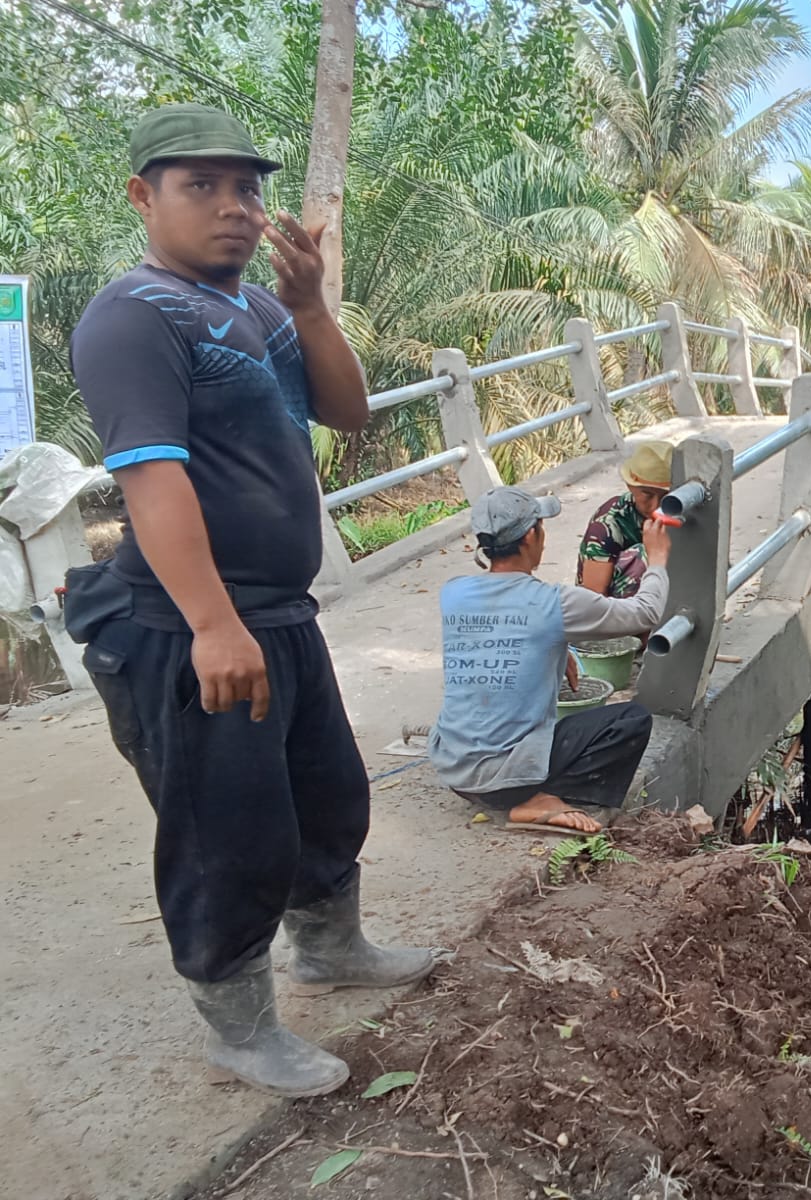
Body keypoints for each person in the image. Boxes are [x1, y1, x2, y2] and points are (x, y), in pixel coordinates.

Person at [64, 103, 432, 1099]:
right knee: (227, 834)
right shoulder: (134, 315)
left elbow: (348, 413)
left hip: (281, 613)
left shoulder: (262, 308)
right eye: (202, 186)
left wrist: (309, 305)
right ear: (144, 197)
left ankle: (331, 948)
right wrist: (213, 623)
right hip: (186, 626)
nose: (233, 206)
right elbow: (154, 480)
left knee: (327, 797)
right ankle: (237, 1026)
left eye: (246, 188)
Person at [429, 486, 671, 830]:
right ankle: (537, 798)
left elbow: (501, 631)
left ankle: (515, 790)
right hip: (507, 780)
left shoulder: (453, 592)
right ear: (531, 535)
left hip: (455, 771)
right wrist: (657, 560)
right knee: (631, 720)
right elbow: (645, 613)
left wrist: (558, 648)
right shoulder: (556, 603)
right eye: (541, 527)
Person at [576, 441, 673, 598]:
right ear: (630, 487)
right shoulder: (608, 524)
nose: (655, 506)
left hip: (663, 594)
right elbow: (592, 600)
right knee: (644, 554)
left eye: (665, 497)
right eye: (647, 494)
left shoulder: (679, 510)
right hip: (616, 605)